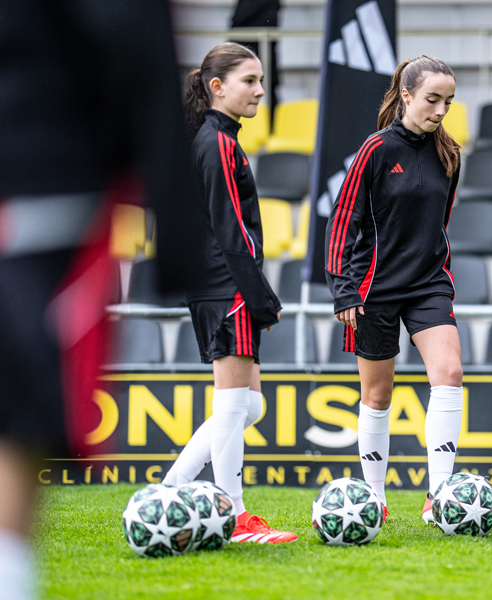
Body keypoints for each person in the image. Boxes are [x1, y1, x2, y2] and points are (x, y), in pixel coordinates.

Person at [0, 2, 205, 598]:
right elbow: (135, 37)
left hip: (38, 179)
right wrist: (182, 245)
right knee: (13, 423)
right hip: (40, 181)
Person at [161, 43, 296, 544]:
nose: (261, 90)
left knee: (246, 407)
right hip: (228, 286)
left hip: (220, 285)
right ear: (217, 87)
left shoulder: (215, 139)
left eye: (261, 79)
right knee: (235, 402)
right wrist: (258, 292)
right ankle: (236, 516)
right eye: (249, 80)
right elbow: (231, 227)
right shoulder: (215, 142)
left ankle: (173, 488)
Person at [325, 56, 462, 523]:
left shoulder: (450, 154)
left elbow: (439, 224)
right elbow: (343, 220)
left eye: (448, 101)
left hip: (428, 285)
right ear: (406, 96)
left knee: (449, 374)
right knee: (378, 397)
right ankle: (374, 497)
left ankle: (440, 494)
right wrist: (344, 290)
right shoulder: (375, 150)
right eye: (432, 99)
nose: (441, 110)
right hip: (373, 290)